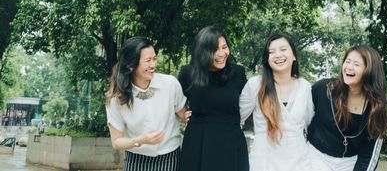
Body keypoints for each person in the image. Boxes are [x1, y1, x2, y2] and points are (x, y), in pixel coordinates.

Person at [105, 37, 187, 171]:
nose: (153, 65)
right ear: (131, 65)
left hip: (170, 157)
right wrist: (141, 140)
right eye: (148, 61)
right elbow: (116, 142)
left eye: (154, 59)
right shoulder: (117, 98)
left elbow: (184, 115)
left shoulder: (171, 84)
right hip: (136, 159)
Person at [307, 45, 387, 171]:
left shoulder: (376, 107)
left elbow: (370, 153)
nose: (349, 67)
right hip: (316, 157)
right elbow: (301, 119)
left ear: (370, 71)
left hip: (350, 162)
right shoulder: (323, 89)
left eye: (356, 64)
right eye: (347, 61)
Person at [178, 26, 249, 171]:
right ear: (202, 52)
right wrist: (182, 114)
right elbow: (173, 101)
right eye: (215, 49)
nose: (222, 53)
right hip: (198, 141)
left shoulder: (237, 73)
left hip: (231, 141)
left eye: (224, 47)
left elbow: (250, 102)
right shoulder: (188, 73)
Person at [240, 34, 314, 171]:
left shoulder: (305, 87)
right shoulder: (255, 85)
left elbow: (310, 125)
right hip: (263, 164)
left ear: (294, 56)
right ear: (267, 59)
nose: (278, 55)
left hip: (300, 164)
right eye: (271, 52)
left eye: (283, 49)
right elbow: (234, 118)